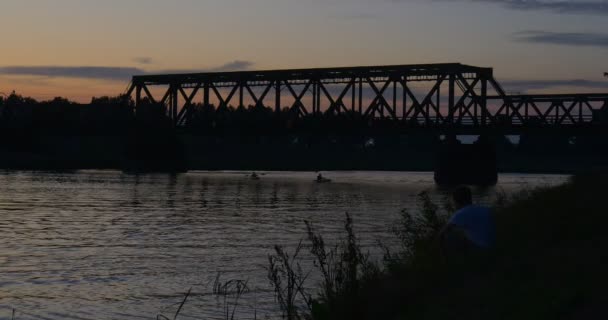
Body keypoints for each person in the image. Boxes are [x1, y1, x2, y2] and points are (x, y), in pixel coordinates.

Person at [440, 185, 496, 261]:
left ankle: (448, 262)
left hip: (479, 251)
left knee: (449, 236)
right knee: (460, 232)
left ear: (456, 200)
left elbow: (442, 233)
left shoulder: (461, 213)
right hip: (493, 248)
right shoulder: (485, 210)